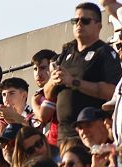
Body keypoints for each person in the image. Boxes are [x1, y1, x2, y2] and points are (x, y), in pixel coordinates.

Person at [49, 2, 122, 142]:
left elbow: (113, 92)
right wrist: (53, 81)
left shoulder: (105, 53)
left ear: (99, 26)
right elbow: (48, 93)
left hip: (92, 135)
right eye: (75, 20)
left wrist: (74, 82)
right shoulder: (66, 52)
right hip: (64, 135)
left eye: (85, 21)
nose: (79, 24)